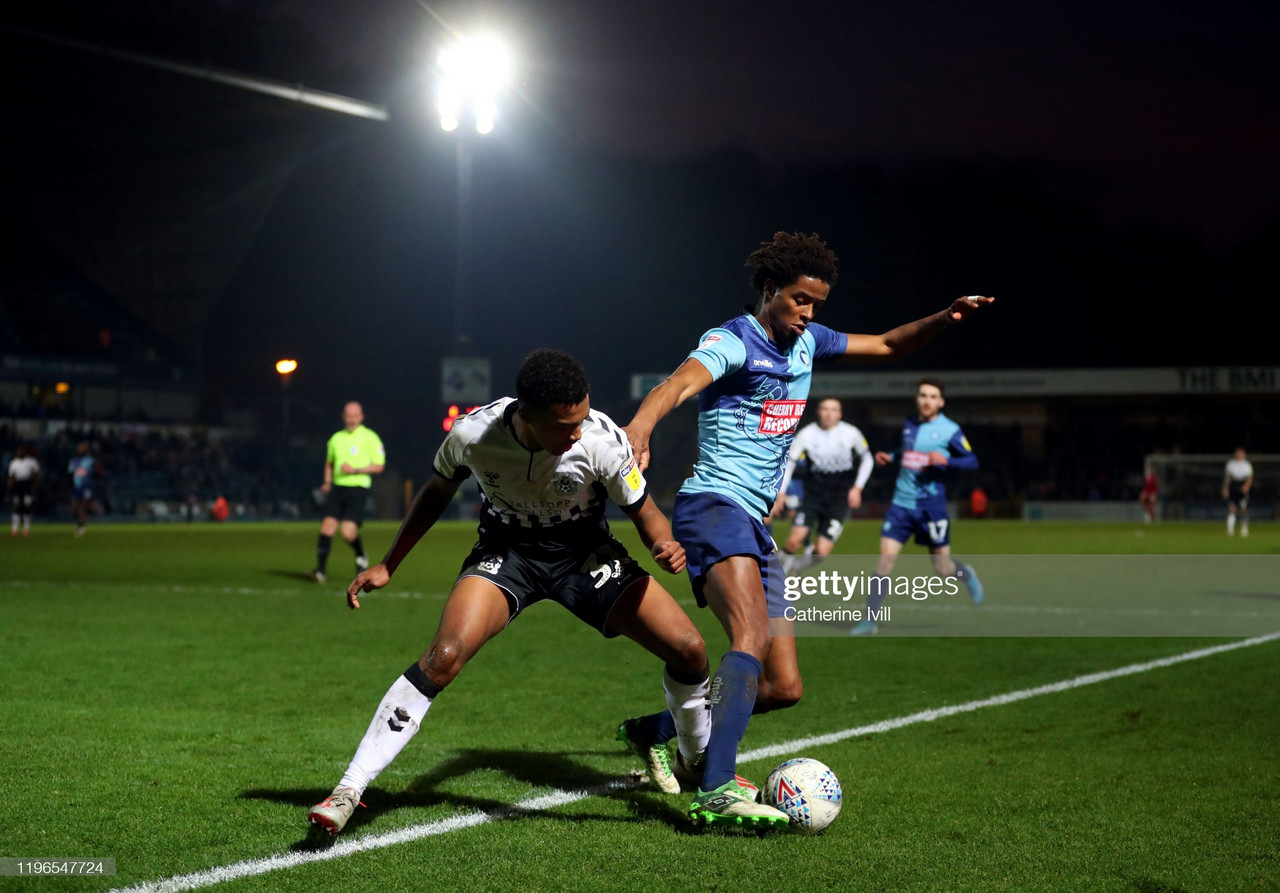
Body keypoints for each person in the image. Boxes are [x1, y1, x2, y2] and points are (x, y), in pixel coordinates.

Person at [619, 231, 993, 828]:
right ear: (770, 290)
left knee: (784, 686)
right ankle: (715, 788)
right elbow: (679, 384)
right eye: (798, 300)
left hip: (754, 523)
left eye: (815, 304)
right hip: (714, 506)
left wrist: (946, 317)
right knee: (747, 637)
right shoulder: (732, 340)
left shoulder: (810, 341)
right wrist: (640, 427)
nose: (808, 314)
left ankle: (654, 730)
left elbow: (891, 344)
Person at [307, 349, 711, 835]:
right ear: (527, 415)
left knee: (689, 650)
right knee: (444, 656)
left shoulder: (602, 439)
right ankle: (348, 789)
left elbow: (644, 511)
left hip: (583, 554)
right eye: (565, 425)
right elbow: (436, 491)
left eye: (582, 417)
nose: (577, 432)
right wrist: (390, 563)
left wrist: (663, 543)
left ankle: (696, 764)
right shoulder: (472, 434)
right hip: (508, 552)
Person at [851, 378, 982, 635]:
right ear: (917, 398)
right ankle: (870, 621)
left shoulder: (950, 430)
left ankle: (965, 574)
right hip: (901, 504)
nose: (927, 401)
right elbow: (909, 451)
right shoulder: (910, 423)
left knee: (942, 569)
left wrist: (946, 461)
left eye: (933, 397)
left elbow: (972, 461)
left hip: (931, 506)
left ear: (941, 402)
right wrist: (893, 456)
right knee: (884, 562)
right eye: (923, 395)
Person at [771, 397, 873, 571]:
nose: (828, 413)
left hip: (839, 498)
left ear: (840, 414)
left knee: (822, 552)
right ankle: (777, 580)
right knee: (794, 540)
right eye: (825, 409)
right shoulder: (806, 434)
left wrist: (858, 487)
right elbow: (790, 463)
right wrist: (781, 491)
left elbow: (868, 459)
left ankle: (796, 569)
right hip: (813, 496)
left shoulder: (851, 433)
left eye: (833, 409)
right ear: (818, 412)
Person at [308, 402, 385, 583]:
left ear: (361, 417)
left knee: (348, 533)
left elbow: (379, 466)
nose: (351, 420)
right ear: (344, 417)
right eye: (348, 416)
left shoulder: (370, 438)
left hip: (358, 488)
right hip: (337, 487)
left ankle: (361, 555)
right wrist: (327, 482)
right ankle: (320, 571)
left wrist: (356, 470)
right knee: (327, 528)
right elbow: (330, 463)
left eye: (354, 416)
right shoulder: (336, 438)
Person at [7, 444, 41, 537]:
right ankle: (14, 529)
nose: (19, 452)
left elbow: (37, 475)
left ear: (25, 451)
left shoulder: (31, 462)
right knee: (17, 507)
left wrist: (34, 487)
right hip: (17, 486)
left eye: (21, 450)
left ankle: (26, 529)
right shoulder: (14, 463)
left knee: (26, 507)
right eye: (18, 451)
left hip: (27, 485)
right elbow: (11, 478)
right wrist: (9, 490)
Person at [1223, 447, 1253, 537]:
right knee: (1232, 508)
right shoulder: (1231, 464)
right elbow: (1228, 477)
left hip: (1242, 485)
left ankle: (1244, 528)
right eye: (1238, 453)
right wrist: (1225, 488)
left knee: (1243, 509)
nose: (1239, 455)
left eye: (1241, 453)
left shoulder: (1247, 465)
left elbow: (1249, 478)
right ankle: (1230, 529)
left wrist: (1246, 487)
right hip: (1233, 485)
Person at [68, 442, 95, 537]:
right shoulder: (74, 461)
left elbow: (93, 472)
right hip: (76, 487)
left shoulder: (90, 460)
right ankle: (82, 519)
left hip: (86, 487)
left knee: (83, 506)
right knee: (74, 508)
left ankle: (81, 526)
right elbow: (70, 473)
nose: (80, 450)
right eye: (79, 448)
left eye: (82, 448)